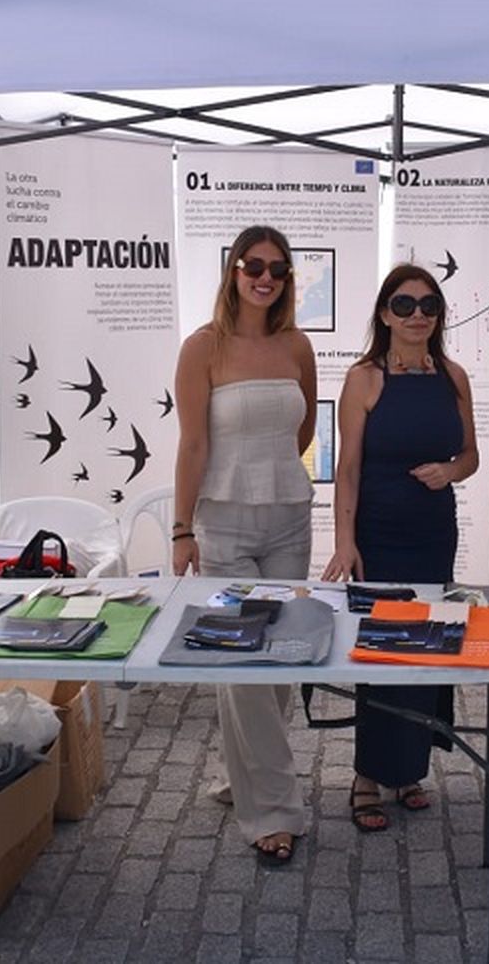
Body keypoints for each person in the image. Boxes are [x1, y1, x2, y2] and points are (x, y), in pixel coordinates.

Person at [172, 224, 317, 865]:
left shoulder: (297, 345)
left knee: (278, 659)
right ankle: (274, 811)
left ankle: (244, 776)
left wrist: (271, 472)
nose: (266, 278)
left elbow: (302, 430)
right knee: (242, 665)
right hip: (224, 523)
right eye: (253, 266)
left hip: (288, 518)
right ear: (232, 271)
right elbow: (192, 443)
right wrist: (182, 529)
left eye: (278, 269)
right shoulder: (202, 347)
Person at [322, 265, 478, 832]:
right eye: (405, 304)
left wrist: (450, 471)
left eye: (429, 305)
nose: (417, 315)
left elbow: (471, 456)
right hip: (379, 534)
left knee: (428, 649)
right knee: (382, 652)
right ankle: (367, 775)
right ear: (385, 313)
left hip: (434, 533)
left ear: (439, 315)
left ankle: (410, 770)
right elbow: (347, 468)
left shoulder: (453, 376)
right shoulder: (364, 379)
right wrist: (345, 541)